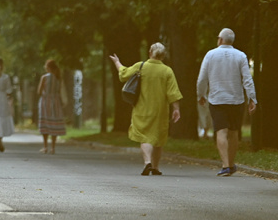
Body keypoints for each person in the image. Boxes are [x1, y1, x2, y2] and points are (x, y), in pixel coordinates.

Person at [110, 43, 182, 175]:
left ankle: (147, 162)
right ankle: (155, 167)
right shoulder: (167, 71)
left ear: (150, 53)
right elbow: (173, 92)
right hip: (160, 111)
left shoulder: (141, 67)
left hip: (142, 109)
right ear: (163, 55)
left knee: (145, 137)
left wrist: (117, 62)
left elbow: (123, 74)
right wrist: (176, 109)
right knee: (158, 138)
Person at [196, 28, 257, 177]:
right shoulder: (241, 56)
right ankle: (230, 163)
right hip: (236, 99)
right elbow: (247, 79)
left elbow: (202, 78)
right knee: (234, 132)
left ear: (220, 40)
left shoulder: (210, 55)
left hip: (217, 99)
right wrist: (252, 98)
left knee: (221, 131)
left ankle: (225, 165)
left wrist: (201, 94)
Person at [37, 59, 66, 154]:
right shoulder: (59, 78)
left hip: (45, 101)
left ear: (48, 67)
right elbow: (60, 91)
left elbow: (39, 91)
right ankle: (53, 147)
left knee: (45, 123)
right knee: (54, 124)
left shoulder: (44, 77)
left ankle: (45, 146)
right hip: (56, 102)